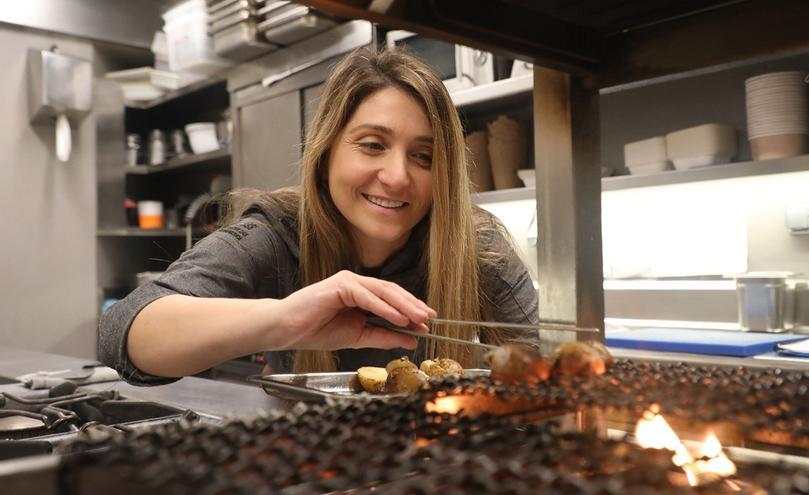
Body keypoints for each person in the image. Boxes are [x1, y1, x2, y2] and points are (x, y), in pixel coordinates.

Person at [98, 48, 538, 386]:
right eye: (372, 145)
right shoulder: (274, 235)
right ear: (325, 154)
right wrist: (284, 321)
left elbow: (543, 368)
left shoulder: (475, 245)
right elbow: (123, 333)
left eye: (424, 156)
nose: (398, 176)